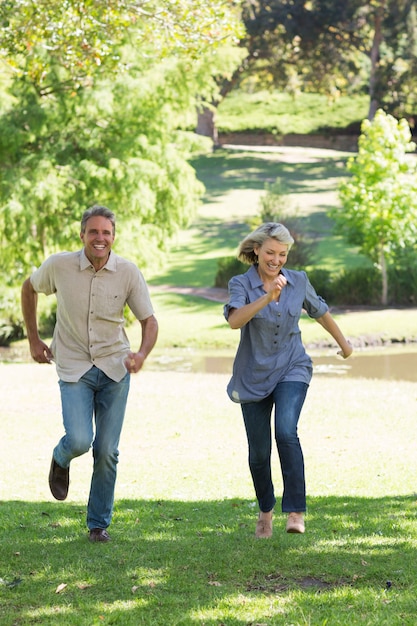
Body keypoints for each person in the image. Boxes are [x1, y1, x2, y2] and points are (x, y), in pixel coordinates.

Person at [21, 204, 158, 543]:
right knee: (80, 440)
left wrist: (141, 354)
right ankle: (60, 456)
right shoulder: (59, 266)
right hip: (74, 366)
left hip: (114, 368)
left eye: (106, 233)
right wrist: (34, 339)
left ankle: (98, 524)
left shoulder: (128, 272)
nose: (100, 238)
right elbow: (29, 288)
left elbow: (149, 321)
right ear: (82, 234)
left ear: (113, 237)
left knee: (107, 451)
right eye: (93, 232)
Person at [224, 223, 352, 538]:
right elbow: (234, 320)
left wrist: (344, 344)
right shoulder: (241, 283)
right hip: (253, 375)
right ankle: (265, 512)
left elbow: (320, 311)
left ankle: (295, 511)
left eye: (282, 254)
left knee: (286, 431)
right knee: (258, 452)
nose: (276, 260)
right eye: (270, 253)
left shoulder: (298, 281)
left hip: (292, 367)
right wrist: (267, 298)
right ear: (256, 250)